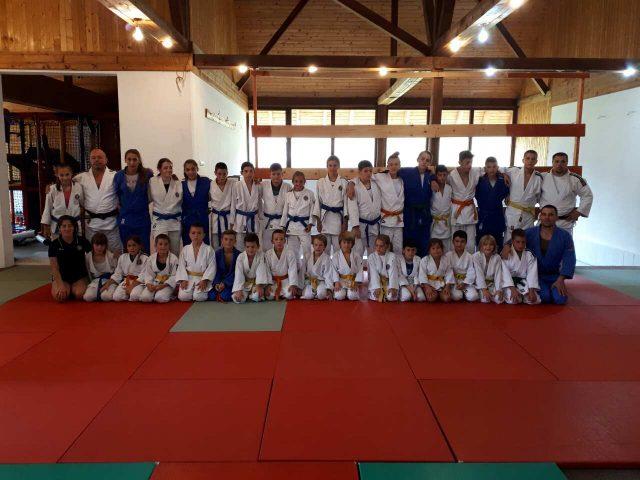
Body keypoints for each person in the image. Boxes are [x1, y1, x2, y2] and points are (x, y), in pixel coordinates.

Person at [520, 205, 576, 305]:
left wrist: (561, 279)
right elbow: (514, 240)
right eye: (544, 214)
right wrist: (507, 246)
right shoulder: (530, 233)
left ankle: (555, 286)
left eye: (551, 215)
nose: (547, 217)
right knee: (545, 297)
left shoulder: (564, 236)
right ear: (540, 216)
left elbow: (570, 258)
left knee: (560, 300)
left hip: (554, 276)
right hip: (535, 275)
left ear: (556, 217)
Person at [74, 148, 121, 254]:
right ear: (90, 160)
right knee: (92, 253)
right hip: (92, 224)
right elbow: (65, 183)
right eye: (93, 158)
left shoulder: (116, 176)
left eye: (100, 157)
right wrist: (51, 186)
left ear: (106, 160)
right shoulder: (80, 178)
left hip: (111, 223)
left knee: (114, 253)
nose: (96, 160)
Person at [540, 152, 593, 235]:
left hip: (565, 223)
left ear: (567, 163)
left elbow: (587, 196)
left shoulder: (575, 179)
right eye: (557, 161)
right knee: (541, 243)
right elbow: (533, 193)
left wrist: (579, 212)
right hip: (544, 222)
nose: (559, 164)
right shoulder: (542, 177)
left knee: (563, 243)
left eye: (563, 162)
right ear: (552, 162)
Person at [113, 149, 153, 253]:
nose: (132, 162)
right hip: (125, 218)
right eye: (129, 159)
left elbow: (156, 186)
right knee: (128, 248)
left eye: (134, 159)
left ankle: (144, 264)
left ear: (139, 160)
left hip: (142, 217)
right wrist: (121, 207)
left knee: (144, 248)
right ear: (125, 160)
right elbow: (115, 195)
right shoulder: (119, 176)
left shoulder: (147, 174)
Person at [398, 150, 436, 257]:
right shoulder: (407, 172)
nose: (424, 162)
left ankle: (422, 266)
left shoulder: (430, 176)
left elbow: (436, 175)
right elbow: (391, 171)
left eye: (427, 160)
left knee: (424, 243)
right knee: (409, 243)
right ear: (418, 159)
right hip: (410, 214)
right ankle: (408, 266)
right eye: (422, 159)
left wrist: (433, 178)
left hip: (425, 214)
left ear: (429, 163)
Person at [502, 150, 542, 242]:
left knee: (527, 240)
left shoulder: (538, 178)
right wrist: (504, 174)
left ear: (536, 161)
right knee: (509, 240)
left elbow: (539, 198)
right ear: (523, 160)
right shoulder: (514, 171)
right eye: (528, 158)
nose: (530, 161)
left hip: (528, 214)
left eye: (533, 159)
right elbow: (500, 169)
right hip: (512, 212)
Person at [446, 150, 482, 253]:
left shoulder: (475, 172)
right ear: (460, 162)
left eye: (471, 162)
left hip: (469, 210)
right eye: (467, 163)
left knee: (470, 242)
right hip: (457, 210)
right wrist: (433, 180)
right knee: (455, 240)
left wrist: (503, 174)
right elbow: (439, 178)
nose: (469, 165)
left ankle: (470, 260)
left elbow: (492, 170)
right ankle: (454, 261)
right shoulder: (451, 175)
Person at [49, 215, 91, 302]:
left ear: (74, 227)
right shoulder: (54, 244)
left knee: (80, 294)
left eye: (70, 226)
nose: (67, 229)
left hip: (79, 276)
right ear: (59, 228)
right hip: (62, 276)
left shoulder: (82, 241)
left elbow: (95, 255)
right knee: (59, 297)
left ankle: (74, 288)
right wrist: (60, 284)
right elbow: (54, 267)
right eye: (64, 226)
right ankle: (66, 288)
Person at [347, 160, 381, 259]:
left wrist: (351, 182)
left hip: (375, 225)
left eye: (370, 171)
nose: (368, 173)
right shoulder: (355, 187)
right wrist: (355, 227)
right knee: (358, 254)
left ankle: (372, 270)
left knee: (374, 255)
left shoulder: (376, 183)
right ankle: (357, 270)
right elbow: (352, 208)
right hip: (361, 226)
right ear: (359, 172)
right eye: (365, 171)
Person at [129, 234, 179, 303]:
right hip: (154, 283)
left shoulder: (174, 259)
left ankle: (166, 294)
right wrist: (149, 284)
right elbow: (148, 274)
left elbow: (174, 276)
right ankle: (153, 294)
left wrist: (164, 285)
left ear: (169, 246)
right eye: (160, 244)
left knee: (160, 298)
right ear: (155, 246)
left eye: (166, 244)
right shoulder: (151, 258)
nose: (163, 247)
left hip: (167, 284)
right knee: (145, 298)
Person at [314, 155, 348, 255]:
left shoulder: (343, 182)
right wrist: (318, 221)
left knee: (338, 249)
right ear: (327, 166)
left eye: (335, 165)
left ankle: (338, 265)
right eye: (330, 165)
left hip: (338, 219)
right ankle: (325, 266)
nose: (332, 168)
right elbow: (317, 202)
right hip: (325, 218)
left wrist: (345, 222)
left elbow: (346, 204)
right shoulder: (320, 182)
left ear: (338, 166)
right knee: (325, 249)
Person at [149, 158, 182, 256]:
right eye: (165, 168)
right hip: (159, 221)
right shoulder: (152, 181)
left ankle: (174, 266)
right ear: (159, 169)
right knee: (160, 250)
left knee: (175, 251)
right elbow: (148, 198)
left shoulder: (178, 183)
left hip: (174, 221)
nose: (169, 170)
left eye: (170, 167)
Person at [175, 223, 216, 302]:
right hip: (188, 278)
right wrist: (183, 279)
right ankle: (190, 291)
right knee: (183, 297)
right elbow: (181, 266)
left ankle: (197, 292)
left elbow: (212, 267)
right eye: (193, 233)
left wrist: (205, 280)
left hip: (202, 278)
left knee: (199, 297)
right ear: (189, 234)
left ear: (204, 235)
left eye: (199, 233)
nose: (196, 235)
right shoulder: (185, 249)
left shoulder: (209, 249)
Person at [41, 163, 84, 239]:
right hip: (57, 225)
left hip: (74, 224)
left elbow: (82, 204)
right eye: (61, 175)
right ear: (57, 175)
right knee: (58, 245)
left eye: (67, 174)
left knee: (75, 245)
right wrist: (46, 226)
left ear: (71, 174)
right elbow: (47, 208)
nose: (65, 178)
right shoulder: (52, 189)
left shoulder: (78, 187)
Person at [373, 152, 405, 254]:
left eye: (396, 164)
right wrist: (352, 183)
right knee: (384, 247)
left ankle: (397, 264)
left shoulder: (403, 179)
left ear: (400, 166)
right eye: (391, 164)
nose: (393, 167)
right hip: (386, 219)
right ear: (387, 166)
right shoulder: (380, 177)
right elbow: (364, 176)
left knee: (398, 247)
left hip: (399, 219)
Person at [475, 156, 509, 251]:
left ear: (497, 168)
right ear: (485, 168)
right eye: (489, 167)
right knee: (481, 243)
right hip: (483, 215)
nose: (492, 169)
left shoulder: (502, 180)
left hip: (497, 215)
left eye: (494, 167)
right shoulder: (479, 180)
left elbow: (506, 193)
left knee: (497, 244)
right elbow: (475, 195)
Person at [501, 228, 541, 305]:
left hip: (523, 282)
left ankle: (523, 295)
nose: (521, 245)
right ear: (512, 241)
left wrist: (531, 290)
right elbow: (505, 273)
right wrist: (513, 289)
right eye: (518, 242)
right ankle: (519, 295)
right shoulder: (506, 254)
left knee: (534, 300)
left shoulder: (529, 254)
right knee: (513, 300)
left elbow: (532, 273)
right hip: (510, 283)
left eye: (523, 242)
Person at [103, 235, 148, 302]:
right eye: (129, 246)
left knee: (134, 295)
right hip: (127, 281)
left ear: (139, 246)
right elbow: (118, 274)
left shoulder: (145, 258)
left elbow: (143, 276)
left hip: (139, 282)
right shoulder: (123, 257)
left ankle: (135, 293)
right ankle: (128, 294)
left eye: (134, 245)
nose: (132, 248)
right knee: (116, 297)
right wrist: (108, 283)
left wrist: (131, 287)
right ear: (126, 247)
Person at [281, 171, 315, 258]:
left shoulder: (310, 193)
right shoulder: (288, 195)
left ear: (305, 182)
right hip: (291, 226)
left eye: (301, 181)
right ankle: (294, 267)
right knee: (292, 252)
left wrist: (310, 224)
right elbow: (285, 212)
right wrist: (283, 227)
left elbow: (312, 210)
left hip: (304, 226)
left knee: (307, 250)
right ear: (292, 182)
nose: (298, 183)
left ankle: (307, 266)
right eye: (296, 181)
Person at [260, 163, 291, 251]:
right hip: (267, 221)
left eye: (278, 174)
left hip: (282, 221)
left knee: (281, 247)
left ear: (282, 174)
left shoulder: (288, 187)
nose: (276, 176)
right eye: (273, 174)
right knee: (266, 246)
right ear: (270, 175)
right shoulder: (263, 185)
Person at [232, 233, 269, 303]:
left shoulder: (261, 255)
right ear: (245, 247)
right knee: (237, 298)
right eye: (248, 247)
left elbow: (261, 270)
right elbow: (238, 273)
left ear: (258, 246)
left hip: (256, 283)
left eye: (253, 247)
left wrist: (259, 286)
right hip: (245, 283)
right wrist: (239, 289)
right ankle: (248, 295)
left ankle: (253, 294)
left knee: (257, 296)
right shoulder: (241, 257)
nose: (250, 249)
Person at [181, 159, 212, 246]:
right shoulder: (181, 184)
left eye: (193, 169)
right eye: (188, 170)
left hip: (202, 218)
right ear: (184, 171)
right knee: (188, 245)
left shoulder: (206, 182)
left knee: (204, 244)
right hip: (187, 219)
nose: (190, 172)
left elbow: (214, 194)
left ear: (197, 169)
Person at [232, 162, 261, 250]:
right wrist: (232, 221)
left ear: (254, 172)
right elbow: (233, 204)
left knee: (253, 245)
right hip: (240, 219)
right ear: (241, 173)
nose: (249, 173)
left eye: (251, 171)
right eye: (246, 171)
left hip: (253, 218)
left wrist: (261, 217)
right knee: (240, 245)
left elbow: (260, 202)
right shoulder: (236, 185)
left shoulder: (258, 185)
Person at [264, 229, 299, 301]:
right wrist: (268, 285)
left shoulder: (290, 253)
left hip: (286, 280)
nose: (279, 241)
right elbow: (267, 270)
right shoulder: (268, 254)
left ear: (285, 241)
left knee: (290, 294)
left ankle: (284, 293)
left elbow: (292, 270)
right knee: (269, 296)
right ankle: (279, 294)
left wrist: (293, 284)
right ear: (272, 241)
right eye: (276, 239)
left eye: (281, 239)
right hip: (273, 281)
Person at [446, 230, 479, 302]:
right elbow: (448, 271)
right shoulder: (448, 255)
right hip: (454, 282)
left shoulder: (470, 256)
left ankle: (465, 292)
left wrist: (464, 283)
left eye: (462, 241)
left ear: (466, 242)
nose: (459, 244)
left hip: (466, 283)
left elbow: (471, 272)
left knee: (473, 297)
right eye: (457, 241)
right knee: (457, 296)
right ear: (453, 242)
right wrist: (451, 283)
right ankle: (462, 293)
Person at [210, 162, 237, 249]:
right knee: (216, 245)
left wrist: (232, 222)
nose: (222, 176)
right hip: (216, 219)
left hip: (228, 217)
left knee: (229, 245)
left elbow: (234, 204)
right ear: (215, 173)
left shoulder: (233, 183)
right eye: (219, 174)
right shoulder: (210, 184)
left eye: (224, 174)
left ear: (227, 173)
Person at [83, 232, 117, 302]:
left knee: (106, 296)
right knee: (88, 297)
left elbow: (117, 272)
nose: (99, 247)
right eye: (97, 245)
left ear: (106, 245)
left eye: (102, 245)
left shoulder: (111, 256)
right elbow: (88, 273)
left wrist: (110, 283)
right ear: (92, 245)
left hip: (110, 281)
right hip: (95, 281)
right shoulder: (88, 257)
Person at [329, 231, 363, 301]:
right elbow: (334, 270)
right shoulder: (336, 256)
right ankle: (344, 292)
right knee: (339, 296)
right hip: (341, 281)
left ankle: (349, 293)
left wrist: (356, 282)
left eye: (349, 243)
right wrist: (336, 282)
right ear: (340, 243)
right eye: (344, 242)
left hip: (352, 281)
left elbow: (360, 270)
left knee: (352, 296)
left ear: (352, 244)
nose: (346, 245)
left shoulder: (356, 255)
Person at [419, 238, 454, 303]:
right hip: (429, 284)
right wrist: (427, 287)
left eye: (438, 248)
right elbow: (422, 274)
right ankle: (436, 294)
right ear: (429, 251)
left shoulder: (446, 259)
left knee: (447, 298)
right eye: (433, 248)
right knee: (431, 298)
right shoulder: (424, 260)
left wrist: (447, 286)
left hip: (442, 284)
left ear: (442, 249)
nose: (436, 250)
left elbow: (449, 273)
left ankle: (439, 294)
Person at [473, 234, 505, 304]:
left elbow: (498, 274)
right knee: (485, 300)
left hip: (491, 284)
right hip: (480, 284)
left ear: (494, 246)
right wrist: (484, 289)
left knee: (499, 300)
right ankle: (479, 292)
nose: (488, 247)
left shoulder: (497, 257)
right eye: (485, 244)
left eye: (491, 245)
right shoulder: (476, 256)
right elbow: (478, 273)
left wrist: (498, 290)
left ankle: (493, 293)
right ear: (481, 246)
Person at [210, 230, 241, 302]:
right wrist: (217, 283)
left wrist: (225, 283)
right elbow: (215, 270)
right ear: (222, 240)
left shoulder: (239, 255)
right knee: (211, 295)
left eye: (231, 240)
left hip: (232, 282)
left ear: (235, 241)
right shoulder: (217, 254)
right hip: (219, 280)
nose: (228, 242)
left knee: (225, 296)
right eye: (226, 239)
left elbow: (237, 273)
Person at [367, 234, 399, 302]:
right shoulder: (371, 257)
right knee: (377, 297)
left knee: (391, 297)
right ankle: (376, 289)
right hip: (375, 283)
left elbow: (393, 272)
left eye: (381, 246)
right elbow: (373, 273)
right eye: (376, 245)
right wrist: (377, 287)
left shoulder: (392, 256)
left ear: (387, 246)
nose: (378, 248)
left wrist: (392, 287)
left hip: (388, 283)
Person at [300, 234, 332, 300]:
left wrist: (329, 288)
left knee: (321, 295)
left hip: (321, 281)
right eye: (316, 245)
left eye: (321, 245)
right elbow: (302, 271)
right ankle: (313, 294)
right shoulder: (307, 256)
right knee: (308, 296)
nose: (318, 247)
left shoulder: (327, 258)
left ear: (324, 247)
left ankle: (317, 294)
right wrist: (300, 286)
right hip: (309, 281)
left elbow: (328, 274)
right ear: (313, 245)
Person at [430, 165, 453, 252]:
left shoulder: (449, 188)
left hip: (446, 221)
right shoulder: (432, 188)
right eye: (439, 175)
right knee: (434, 247)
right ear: (436, 175)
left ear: (447, 175)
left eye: (444, 175)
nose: (442, 177)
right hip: (435, 222)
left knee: (446, 248)